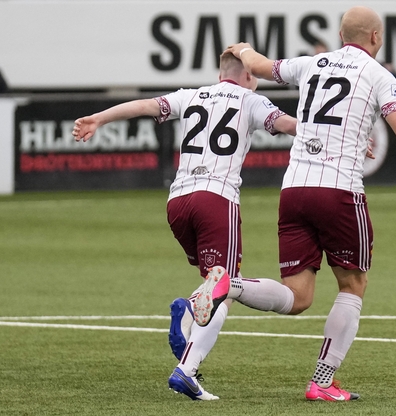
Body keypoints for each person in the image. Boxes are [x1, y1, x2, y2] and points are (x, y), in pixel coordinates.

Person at [191, 6, 396, 402]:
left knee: (298, 295)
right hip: (338, 191)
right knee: (353, 284)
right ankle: (322, 380)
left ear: (342, 35)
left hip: (293, 190)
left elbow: (261, 65)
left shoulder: (310, 64)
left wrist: (243, 49)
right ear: (375, 38)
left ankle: (228, 285)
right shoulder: (379, 76)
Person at [72, 51, 298, 401]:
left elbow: (142, 106)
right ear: (250, 75)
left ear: (220, 71)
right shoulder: (251, 100)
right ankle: (186, 356)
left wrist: (98, 120)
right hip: (216, 199)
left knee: (215, 286)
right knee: (221, 288)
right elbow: (289, 125)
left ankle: (189, 363)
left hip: (178, 202)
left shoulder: (190, 95)